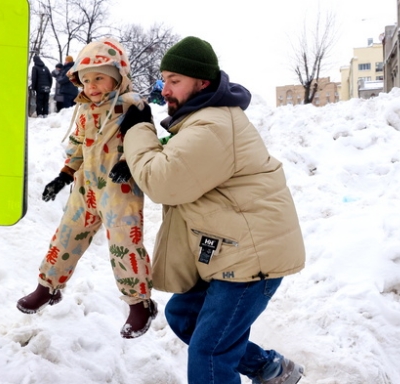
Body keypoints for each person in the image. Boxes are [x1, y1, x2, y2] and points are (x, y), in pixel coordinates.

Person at [118, 36, 307, 383]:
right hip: (229, 250)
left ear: (202, 83)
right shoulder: (201, 120)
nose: (167, 88)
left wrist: (137, 130)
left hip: (251, 259)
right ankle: (271, 369)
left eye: (175, 80)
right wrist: (136, 158)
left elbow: (164, 182)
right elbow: (175, 161)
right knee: (184, 317)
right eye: (165, 80)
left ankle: (270, 369)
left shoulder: (213, 126)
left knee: (209, 351)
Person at [17, 37, 157, 339]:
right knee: (66, 236)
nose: (91, 86)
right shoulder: (83, 110)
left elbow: (146, 142)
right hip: (85, 188)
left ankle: (139, 303)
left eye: (99, 78)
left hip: (119, 189)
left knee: (124, 245)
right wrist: (64, 176)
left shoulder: (133, 106)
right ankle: (47, 287)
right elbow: (79, 147)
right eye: (86, 80)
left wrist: (130, 163)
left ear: (118, 76)